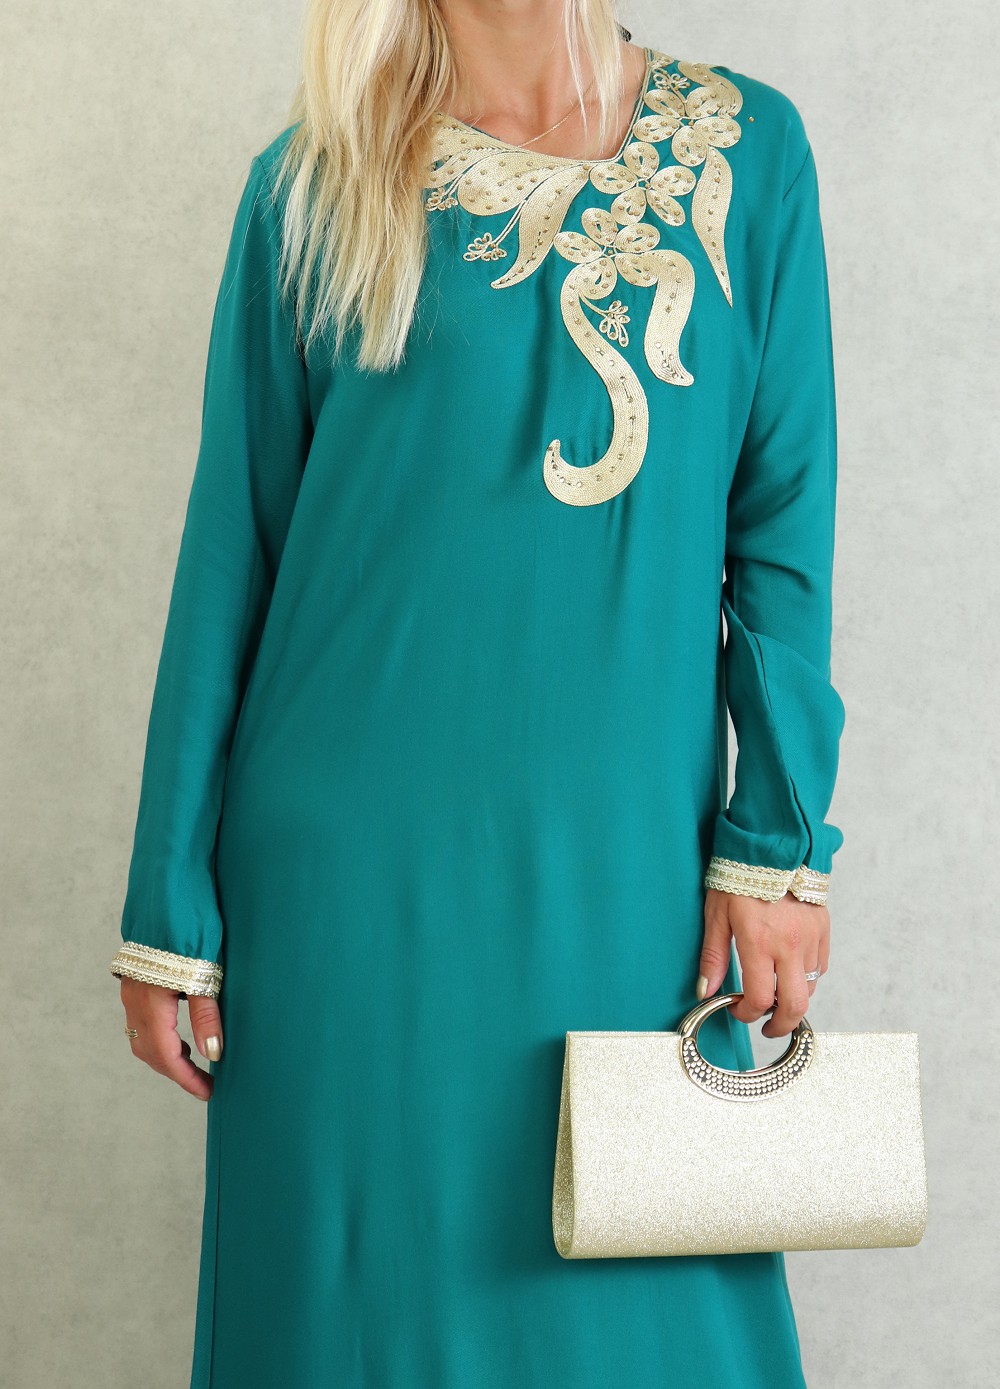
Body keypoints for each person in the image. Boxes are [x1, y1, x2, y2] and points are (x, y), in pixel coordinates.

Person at [110, 2, 844, 1385]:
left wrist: (780, 843)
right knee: (356, 1322)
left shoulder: (750, 150)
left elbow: (782, 533)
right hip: (347, 892)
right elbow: (233, 551)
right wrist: (168, 906)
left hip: (626, 876)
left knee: (645, 1311)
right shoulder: (314, 185)